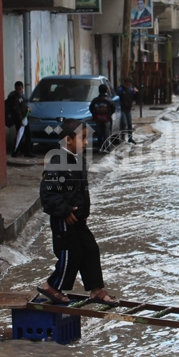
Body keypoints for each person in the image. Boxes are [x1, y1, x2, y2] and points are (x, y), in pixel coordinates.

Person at [35, 120, 118, 306]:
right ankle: (51, 286)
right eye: (83, 138)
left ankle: (96, 289)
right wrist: (63, 210)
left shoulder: (79, 160)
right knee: (70, 253)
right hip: (63, 219)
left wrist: (85, 210)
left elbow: (82, 190)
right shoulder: (57, 162)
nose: (87, 142)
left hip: (79, 218)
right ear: (68, 140)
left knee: (90, 249)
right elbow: (48, 194)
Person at [6, 81, 34, 157]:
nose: (19, 91)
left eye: (20, 89)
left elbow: (23, 105)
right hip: (19, 119)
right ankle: (15, 152)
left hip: (24, 118)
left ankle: (27, 151)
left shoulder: (22, 96)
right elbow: (16, 110)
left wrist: (27, 108)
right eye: (18, 89)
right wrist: (20, 120)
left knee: (27, 135)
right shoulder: (13, 97)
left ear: (22, 88)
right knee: (19, 135)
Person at [89, 84, 116, 153]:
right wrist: (109, 114)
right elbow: (113, 108)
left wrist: (95, 114)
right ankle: (107, 148)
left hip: (98, 120)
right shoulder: (109, 100)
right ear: (107, 90)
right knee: (106, 134)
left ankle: (100, 148)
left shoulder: (95, 100)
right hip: (106, 119)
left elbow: (91, 108)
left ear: (99, 91)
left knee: (99, 134)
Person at [116, 78, 139, 144]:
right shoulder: (120, 89)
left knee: (129, 124)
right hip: (122, 109)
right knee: (124, 123)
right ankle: (122, 137)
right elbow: (117, 99)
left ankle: (130, 138)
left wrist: (136, 93)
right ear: (124, 83)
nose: (128, 86)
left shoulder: (131, 90)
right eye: (127, 84)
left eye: (129, 85)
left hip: (128, 109)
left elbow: (136, 99)